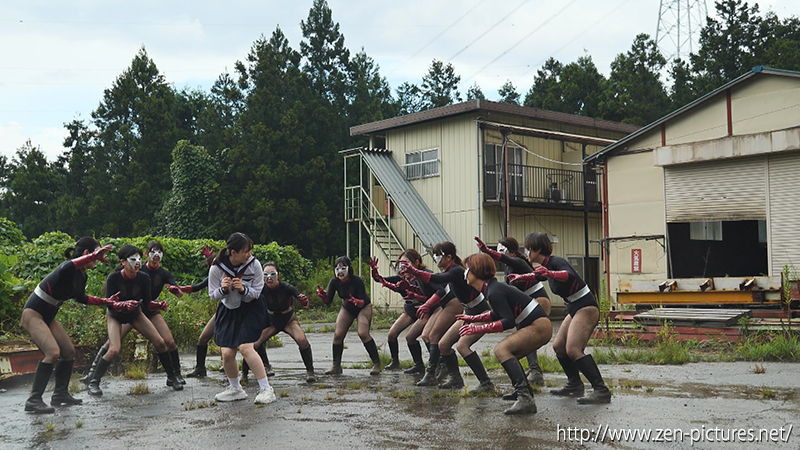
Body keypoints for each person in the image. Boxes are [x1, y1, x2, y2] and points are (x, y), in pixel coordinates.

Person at [19, 238, 131, 413]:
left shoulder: (82, 276)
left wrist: (107, 301)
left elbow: (82, 298)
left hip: (48, 315)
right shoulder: (67, 268)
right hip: (33, 313)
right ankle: (34, 400)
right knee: (52, 352)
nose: (97, 259)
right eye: (95, 254)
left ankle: (60, 394)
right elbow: (67, 266)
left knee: (68, 351)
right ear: (86, 253)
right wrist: (92, 256)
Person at [508, 232, 611, 404]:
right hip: (574, 307)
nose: (526, 253)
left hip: (585, 306)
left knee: (573, 349)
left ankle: (601, 390)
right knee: (559, 347)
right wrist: (522, 277)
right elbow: (539, 276)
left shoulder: (555, 262)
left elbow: (568, 274)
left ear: (537, 249)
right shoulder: (546, 266)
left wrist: (550, 273)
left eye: (528, 249)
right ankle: (574, 384)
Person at [81, 240, 186, 386]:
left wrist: (159, 305)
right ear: (123, 262)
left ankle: (173, 377)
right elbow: (109, 304)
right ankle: (93, 380)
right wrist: (122, 305)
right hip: (117, 314)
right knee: (113, 348)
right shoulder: (114, 277)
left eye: (138, 259)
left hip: (137, 312)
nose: (137, 262)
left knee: (163, 342)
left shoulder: (146, 277)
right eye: (133, 259)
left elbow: (148, 302)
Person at [459, 253, 553, 414]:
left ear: (477, 270)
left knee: (502, 350)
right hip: (537, 325)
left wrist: (478, 328)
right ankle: (524, 392)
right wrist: (473, 318)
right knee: (508, 354)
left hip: (538, 326)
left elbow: (507, 321)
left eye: (467, 269)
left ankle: (525, 399)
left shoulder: (494, 291)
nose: (465, 273)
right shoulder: (493, 288)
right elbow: (498, 313)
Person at [401, 242, 493, 394]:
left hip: (480, 313)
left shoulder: (456, 270)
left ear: (449, 257)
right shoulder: (450, 271)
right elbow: (438, 285)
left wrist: (415, 271)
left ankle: (486, 383)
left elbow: (437, 279)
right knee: (443, 344)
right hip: (468, 313)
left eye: (438, 255)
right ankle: (455, 378)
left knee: (462, 346)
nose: (435, 258)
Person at [475, 236, 550, 386]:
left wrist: (487, 251)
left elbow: (504, 259)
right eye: (497, 250)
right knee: (524, 334)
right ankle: (532, 370)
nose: (499, 253)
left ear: (512, 252)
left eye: (501, 250)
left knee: (527, 333)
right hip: (526, 304)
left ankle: (535, 370)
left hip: (537, 300)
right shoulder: (509, 268)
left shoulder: (518, 262)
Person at [209, 232, 274, 405]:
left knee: (246, 348)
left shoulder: (254, 265)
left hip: (251, 308)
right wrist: (223, 290)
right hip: (228, 309)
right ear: (233, 253)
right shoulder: (217, 267)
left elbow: (257, 291)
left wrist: (243, 289)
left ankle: (266, 389)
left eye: (250, 250)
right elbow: (212, 295)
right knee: (227, 352)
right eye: (246, 251)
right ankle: (235, 389)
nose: (249, 254)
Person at [368, 250, 441, 373]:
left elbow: (439, 291)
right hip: (410, 311)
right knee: (392, 334)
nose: (404, 268)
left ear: (416, 263)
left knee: (414, 337)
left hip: (426, 312)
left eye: (406, 263)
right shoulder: (401, 278)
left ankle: (437, 364)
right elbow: (379, 280)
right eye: (401, 264)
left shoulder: (425, 275)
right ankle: (398, 362)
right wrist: (374, 271)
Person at [245, 262, 315, 383]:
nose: (269, 278)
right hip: (271, 321)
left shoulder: (286, 287)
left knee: (302, 340)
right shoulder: (261, 289)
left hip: (288, 319)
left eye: (272, 274)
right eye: (265, 274)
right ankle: (245, 373)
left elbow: (298, 295)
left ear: (278, 275)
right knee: (254, 344)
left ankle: (310, 371)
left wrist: (302, 300)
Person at [316, 256, 381, 376]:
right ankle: (336, 365)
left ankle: (377, 364)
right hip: (347, 307)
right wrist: (323, 296)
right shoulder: (334, 282)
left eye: (343, 268)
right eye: (337, 269)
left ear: (349, 269)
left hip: (363, 307)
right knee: (338, 334)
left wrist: (357, 301)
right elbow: (328, 301)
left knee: (363, 333)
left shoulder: (357, 281)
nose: (340, 272)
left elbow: (362, 301)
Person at [183, 247, 216, 379]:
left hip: (239, 312)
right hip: (222, 311)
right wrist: (179, 289)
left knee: (249, 342)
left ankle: (261, 365)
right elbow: (196, 287)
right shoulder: (213, 276)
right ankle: (200, 368)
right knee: (203, 338)